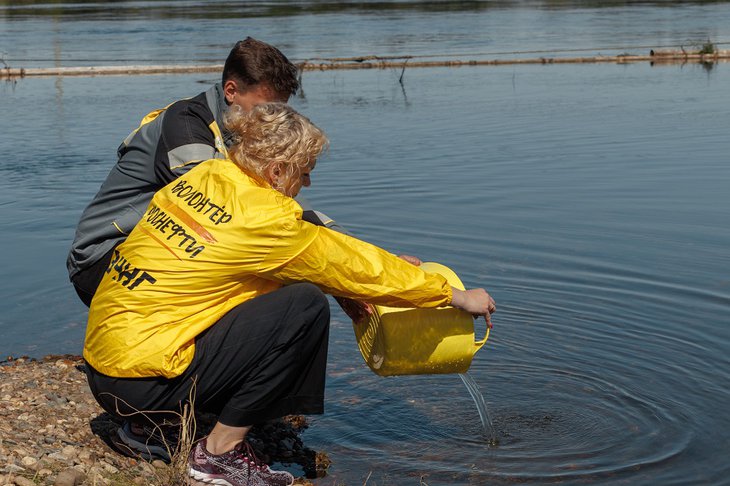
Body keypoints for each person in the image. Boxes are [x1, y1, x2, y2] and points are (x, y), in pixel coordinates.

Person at [83, 103, 496, 486]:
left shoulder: (207, 176)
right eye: (306, 170)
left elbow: (307, 256)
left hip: (107, 371)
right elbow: (345, 263)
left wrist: (347, 278)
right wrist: (453, 296)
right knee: (304, 307)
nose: (309, 181)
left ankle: (146, 427)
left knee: (289, 291)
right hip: (145, 381)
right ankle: (217, 453)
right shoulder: (265, 220)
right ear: (278, 170)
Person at [67, 36, 344, 308]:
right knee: (264, 265)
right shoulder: (185, 124)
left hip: (156, 250)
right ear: (231, 91)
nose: (272, 119)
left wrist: (344, 254)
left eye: (280, 110)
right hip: (103, 259)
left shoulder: (247, 132)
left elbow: (286, 205)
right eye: (265, 108)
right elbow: (218, 205)